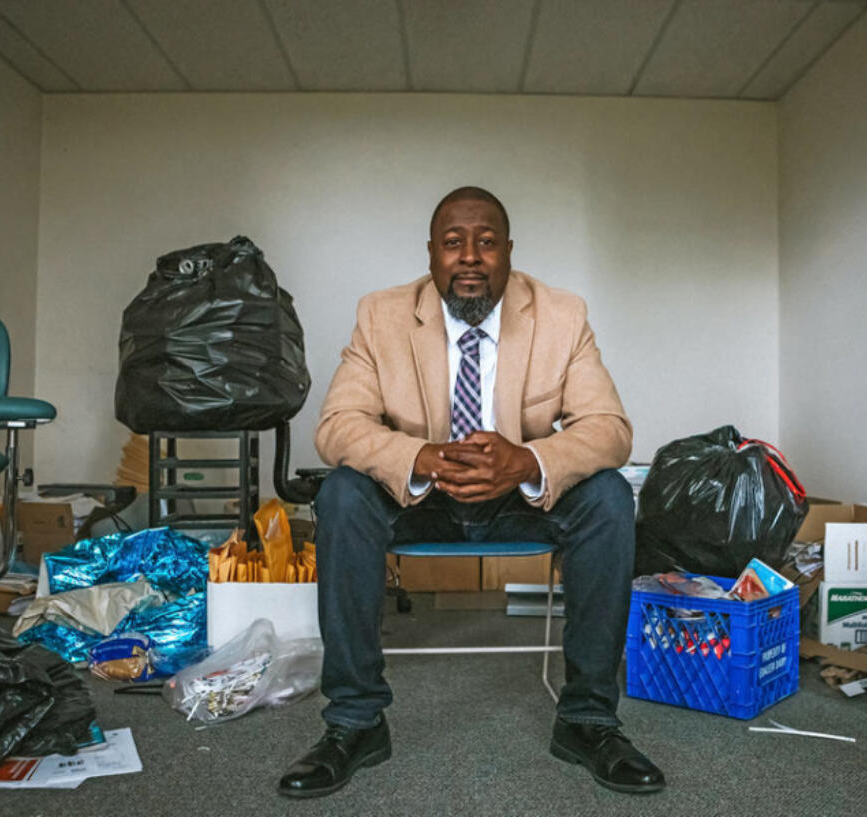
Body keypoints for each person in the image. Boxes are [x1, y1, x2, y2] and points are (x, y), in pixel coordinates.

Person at [278, 187, 665, 798]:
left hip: (520, 501)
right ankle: (354, 723)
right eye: (453, 243)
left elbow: (610, 430)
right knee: (342, 495)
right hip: (419, 501)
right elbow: (337, 425)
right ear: (431, 255)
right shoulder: (381, 314)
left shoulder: (561, 315)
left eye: (486, 243)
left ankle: (589, 720)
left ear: (508, 253)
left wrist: (528, 461)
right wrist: (419, 457)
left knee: (609, 496)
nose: (470, 258)